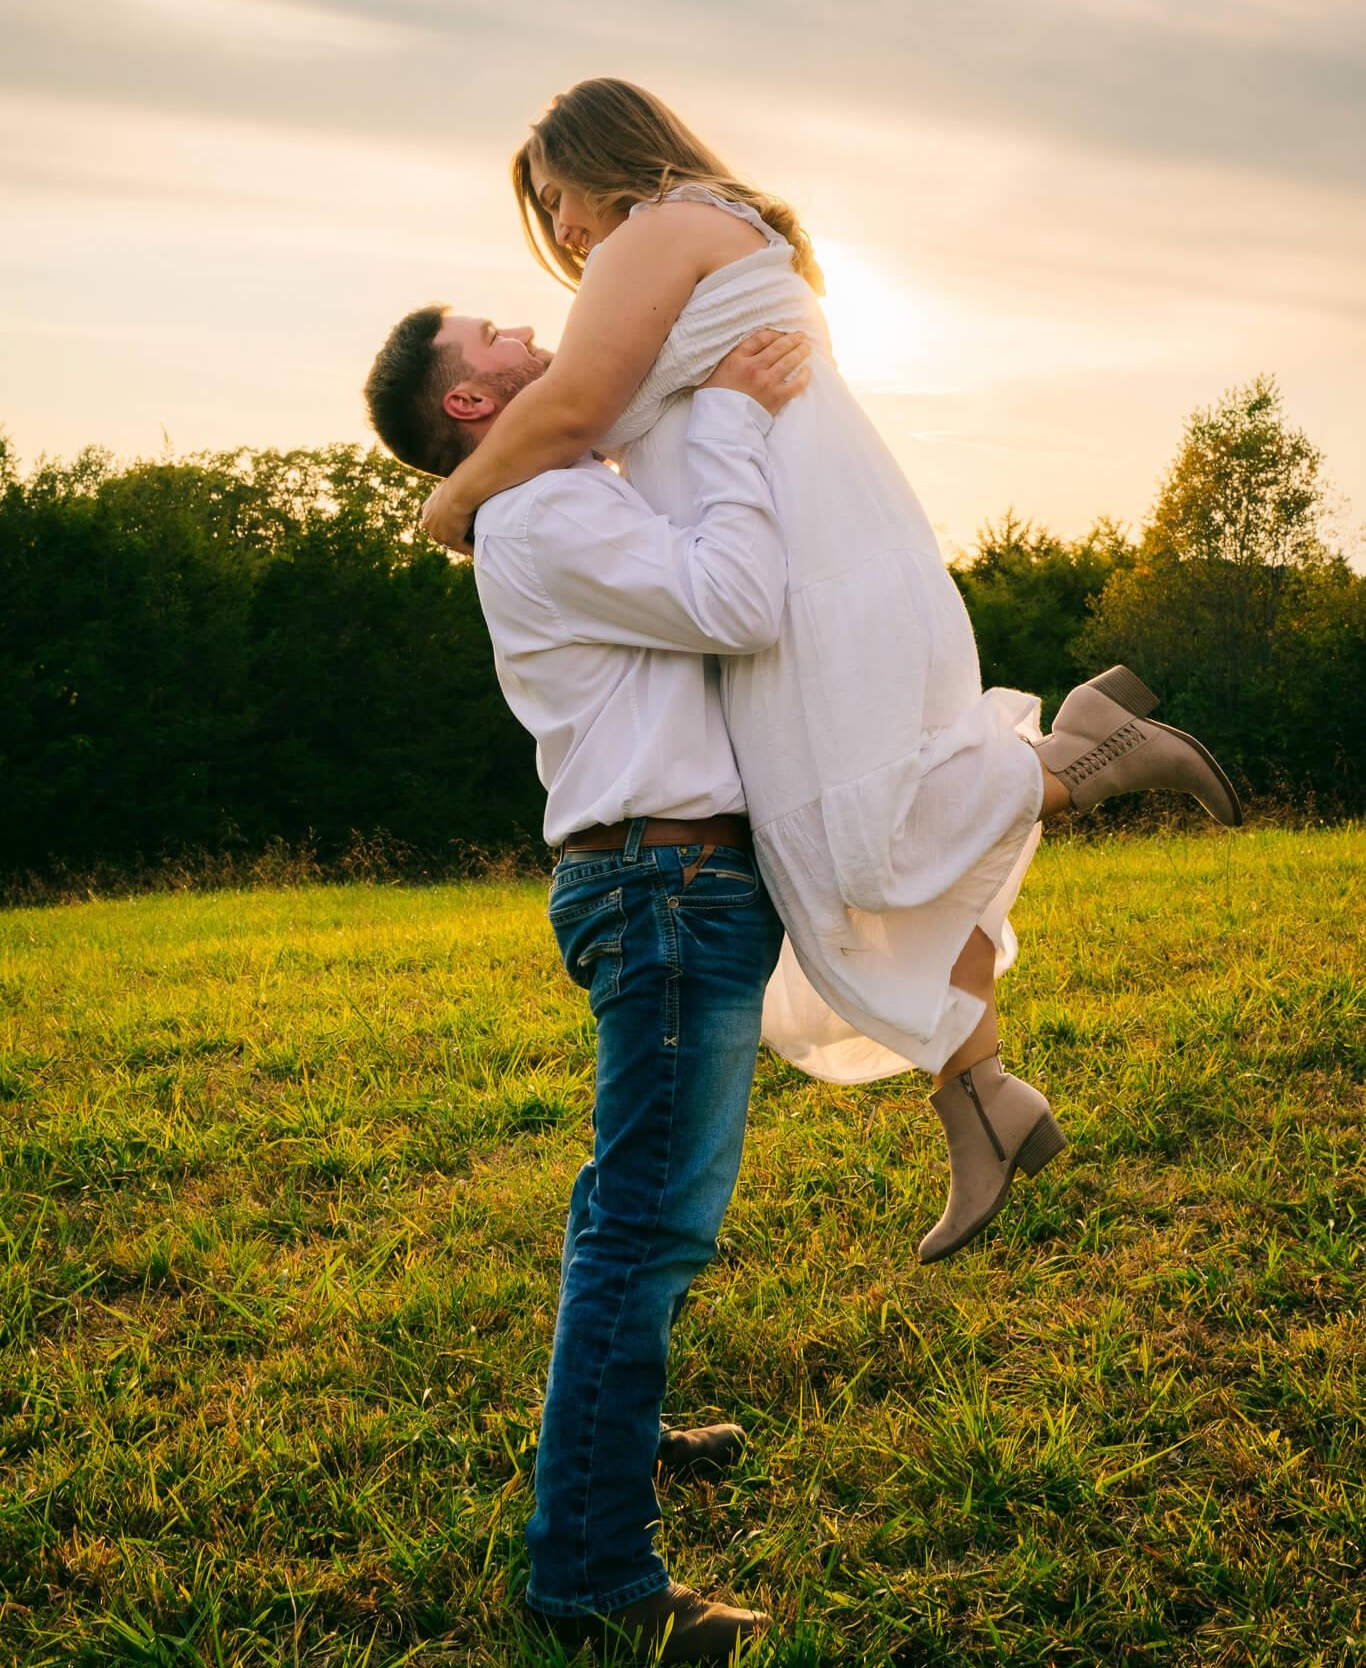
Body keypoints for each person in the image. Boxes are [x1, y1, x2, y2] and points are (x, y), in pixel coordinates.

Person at [417, 78, 1244, 1266]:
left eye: (555, 197)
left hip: (805, 562)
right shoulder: (694, 234)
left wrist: (449, 500)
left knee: (859, 839)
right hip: (787, 551)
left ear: (606, 160)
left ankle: (1087, 754)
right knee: (838, 857)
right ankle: (982, 1104)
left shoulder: (656, 227)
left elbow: (575, 411)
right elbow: (592, 428)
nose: (560, 229)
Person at [364, 310, 814, 1660]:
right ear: (466, 401)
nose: (523, 323)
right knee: (644, 1226)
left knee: (630, 1208)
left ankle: (619, 1427)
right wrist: (733, 413)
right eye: (489, 332)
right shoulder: (541, 510)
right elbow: (738, 603)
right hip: (666, 886)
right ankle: (591, 1575)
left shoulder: (550, 487)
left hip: (663, 879)